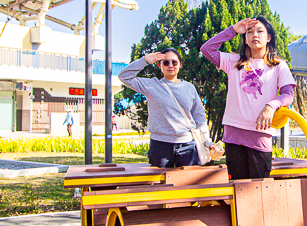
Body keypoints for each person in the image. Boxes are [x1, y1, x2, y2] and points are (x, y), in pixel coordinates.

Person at [202, 16, 296, 180]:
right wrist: (232, 30)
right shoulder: (233, 62)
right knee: (238, 189)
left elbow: (288, 95)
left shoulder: (278, 65)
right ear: (245, 39)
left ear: (268, 37)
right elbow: (206, 49)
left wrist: (271, 105)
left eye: (260, 31)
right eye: (250, 32)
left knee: (259, 189)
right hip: (234, 135)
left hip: (260, 135)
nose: (255, 35)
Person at [119, 47, 220, 168]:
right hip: (160, 146)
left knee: (187, 185)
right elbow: (124, 76)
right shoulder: (151, 85)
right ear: (159, 65)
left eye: (174, 62)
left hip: (187, 145)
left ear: (180, 64)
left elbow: (199, 117)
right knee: (160, 185)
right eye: (166, 62)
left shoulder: (189, 88)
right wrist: (145, 60)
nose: (170, 65)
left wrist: (207, 141)